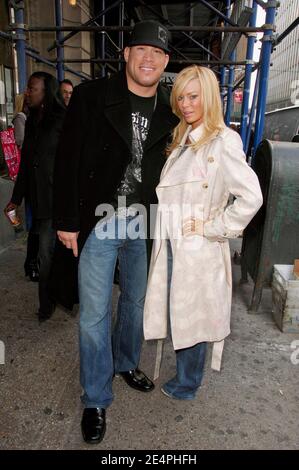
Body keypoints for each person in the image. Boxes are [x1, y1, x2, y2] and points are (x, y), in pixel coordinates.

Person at [52, 20, 178, 444]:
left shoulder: (171, 109)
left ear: (165, 62)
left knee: (136, 304)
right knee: (93, 315)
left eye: (158, 53)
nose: (149, 58)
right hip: (99, 221)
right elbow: (66, 160)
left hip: (145, 223)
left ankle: (125, 361)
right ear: (126, 54)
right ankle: (95, 397)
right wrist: (67, 220)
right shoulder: (90, 98)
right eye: (141, 49)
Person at [144, 65, 263, 401]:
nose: (185, 103)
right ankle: (186, 377)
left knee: (192, 316)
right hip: (172, 242)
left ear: (209, 97)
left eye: (193, 96)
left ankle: (187, 383)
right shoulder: (183, 138)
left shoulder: (224, 141)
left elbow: (251, 197)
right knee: (179, 309)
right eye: (181, 96)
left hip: (198, 247)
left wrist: (214, 227)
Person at [6, 72, 66, 322]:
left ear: (46, 92)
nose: (27, 93)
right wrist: (15, 199)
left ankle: (50, 301)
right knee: (45, 252)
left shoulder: (63, 120)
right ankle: (48, 302)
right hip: (38, 200)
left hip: (58, 199)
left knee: (48, 253)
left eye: (33, 89)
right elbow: (27, 163)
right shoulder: (30, 122)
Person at [12, 93, 40, 282]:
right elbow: (22, 143)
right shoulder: (22, 119)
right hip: (30, 181)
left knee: (37, 226)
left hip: (34, 181)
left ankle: (33, 263)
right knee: (34, 226)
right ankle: (31, 263)